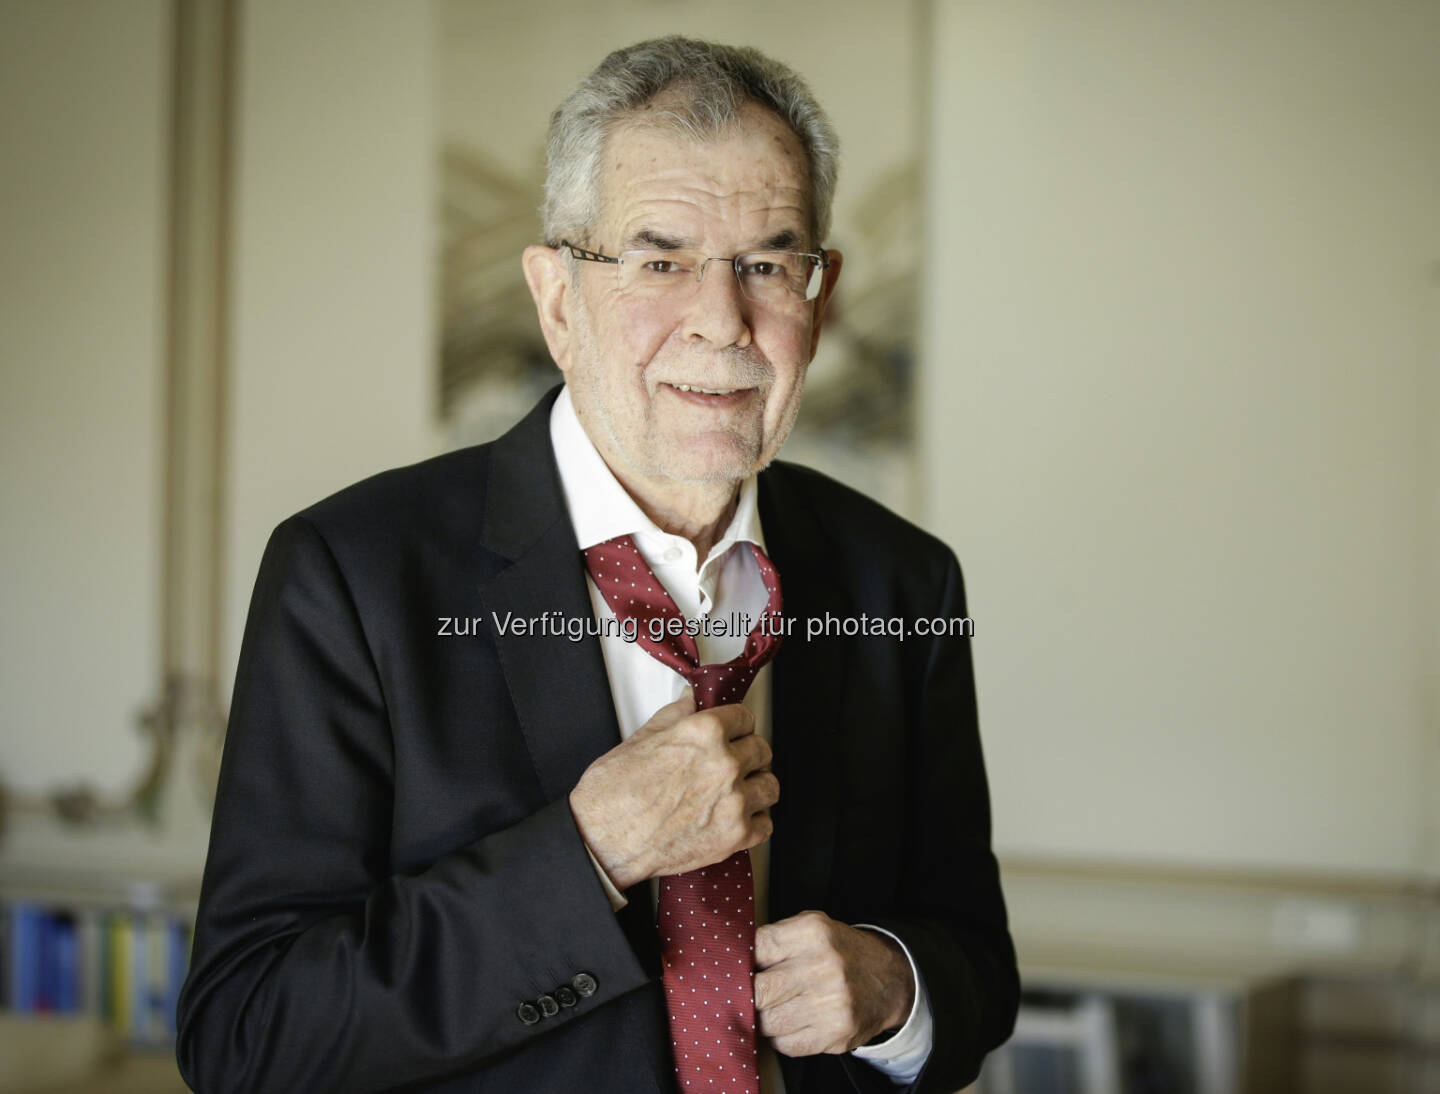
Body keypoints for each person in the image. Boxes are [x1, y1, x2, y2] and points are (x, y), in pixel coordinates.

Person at [176, 36, 1018, 1094]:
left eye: (768, 261)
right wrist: (588, 853)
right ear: (558, 299)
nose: (723, 318)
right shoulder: (350, 575)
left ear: (819, 292)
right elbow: (247, 1035)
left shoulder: (904, 582)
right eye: (661, 259)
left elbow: (975, 964)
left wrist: (897, 989)